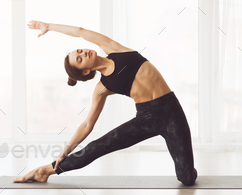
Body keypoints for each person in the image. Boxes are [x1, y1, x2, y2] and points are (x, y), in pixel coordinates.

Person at [13, 20, 197, 186]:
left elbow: (79, 30)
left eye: (79, 51)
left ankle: (187, 170)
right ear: (85, 72)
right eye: (80, 59)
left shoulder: (113, 49)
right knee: (97, 147)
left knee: (187, 179)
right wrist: (66, 150)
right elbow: (87, 124)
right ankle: (46, 170)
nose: (83, 52)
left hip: (172, 111)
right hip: (146, 118)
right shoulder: (102, 87)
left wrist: (49, 26)